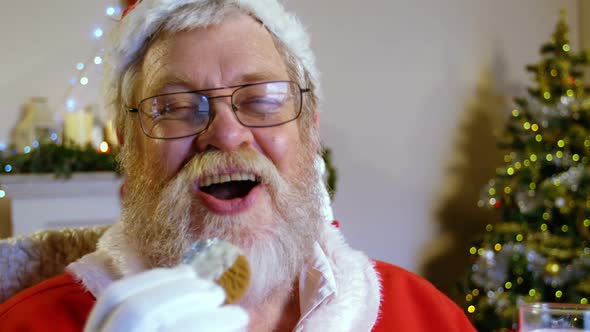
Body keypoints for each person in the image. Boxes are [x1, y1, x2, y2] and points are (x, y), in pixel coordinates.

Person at [0, 0, 476, 331]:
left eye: (262, 99)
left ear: (309, 130)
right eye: (176, 106)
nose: (226, 134)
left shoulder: (428, 318)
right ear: (128, 146)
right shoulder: (27, 324)